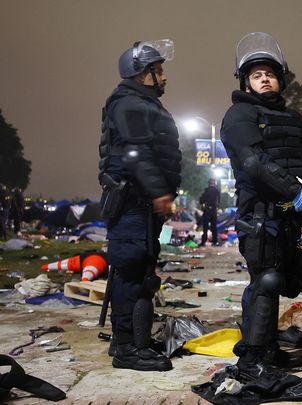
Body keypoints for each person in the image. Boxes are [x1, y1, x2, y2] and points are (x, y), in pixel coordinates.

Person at [220, 32, 302, 381]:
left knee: (282, 279)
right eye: (257, 74)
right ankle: (252, 361)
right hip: (260, 215)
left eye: (270, 74)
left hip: (290, 216)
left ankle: (270, 349)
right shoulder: (240, 115)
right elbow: (253, 162)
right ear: (246, 82)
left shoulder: (293, 120)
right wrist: (295, 192)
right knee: (266, 280)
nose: (264, 78)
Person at [98, 39, 181, 371]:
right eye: (157, 71)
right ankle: (128, 350)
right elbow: (136, 152)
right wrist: (160, 191)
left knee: (141, 272)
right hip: (132, 202)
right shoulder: (129, 104)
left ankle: (129, 341)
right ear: (141, 74)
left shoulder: (143, 105)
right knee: (132, 274)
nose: (163, 77)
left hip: (142, 204)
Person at [199, 178, 220, 246]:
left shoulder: (206, 190)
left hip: (207, 210)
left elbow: (201, 200)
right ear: (214, 183)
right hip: (214, 210)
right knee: (214, 227)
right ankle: (215, 241)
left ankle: (203, 241)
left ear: (208, 183)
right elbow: (219, 201)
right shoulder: (217, 191)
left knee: (205, 227)